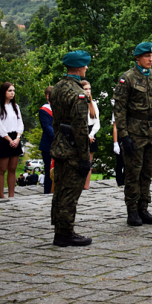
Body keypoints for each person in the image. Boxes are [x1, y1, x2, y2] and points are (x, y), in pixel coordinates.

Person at [113, 42, 152, 226]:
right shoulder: (127, 78)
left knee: (147, 172)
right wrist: (124, 135)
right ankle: (132, 210)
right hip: (135, 132)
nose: (150, 59)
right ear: (138, 58)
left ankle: (144, 207)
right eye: (147, 56)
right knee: (133, 172)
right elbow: (119, 109)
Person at [50, 50, 93, 247]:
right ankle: (65, 233)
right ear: (78, 67)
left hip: (59, 144)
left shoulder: (58, 87)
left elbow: (56, 121)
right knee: (70, 192)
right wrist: (85, 158)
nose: (86, 68)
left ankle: (60, 228)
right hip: (72, 149)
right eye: (85, 65)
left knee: (59, 190)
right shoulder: (79, 94)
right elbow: (80, 128)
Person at [0, 82, 24, 199]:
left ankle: (11, 195)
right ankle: (1, 195)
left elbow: (20, 123)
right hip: (4, 138)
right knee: (2, 169)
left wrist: (18, 137)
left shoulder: (15, 107)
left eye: (13, 91)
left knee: (12, 168)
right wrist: (9, 140)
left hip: (15, 137)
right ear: (4, 92)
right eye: (10, 91)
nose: (12, 93)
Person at [81, 80, 101, 189]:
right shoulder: (78, 103)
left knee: (88, 162)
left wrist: (91, 134)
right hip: (81, 132)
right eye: (85, 89)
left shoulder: (93, 104)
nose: (88, 91)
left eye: (89, 89)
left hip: (91, 132)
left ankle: (86, 186)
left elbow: (97, 123)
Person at [39, 86, 55, 194]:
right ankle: (48, 192)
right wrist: (57, 135)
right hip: (48, 145)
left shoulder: (60, 109)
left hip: (60, 144)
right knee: (49, 171)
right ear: (48, 96)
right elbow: (47, 126)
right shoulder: (43, 110)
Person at [111, 111, 124, 187]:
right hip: (121, 136)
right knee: (120, 161)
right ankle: (120, 182)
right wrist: (115, 143)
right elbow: (115, 126)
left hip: (132, 135)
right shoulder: (117, 108)